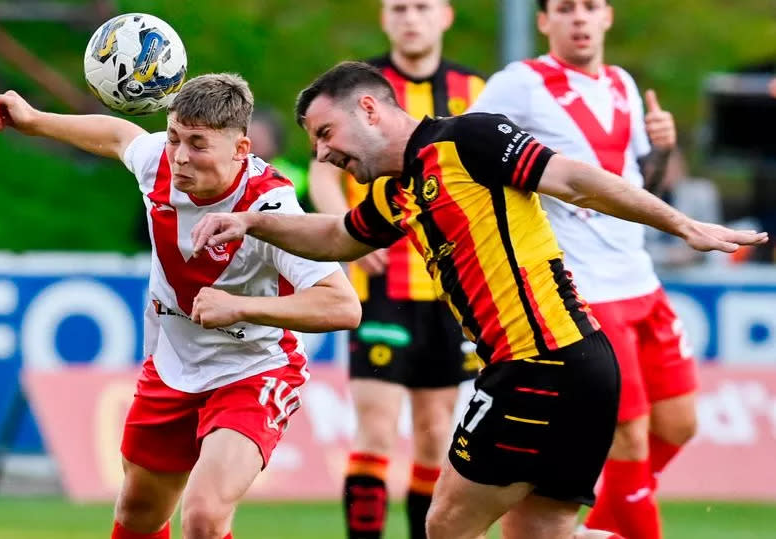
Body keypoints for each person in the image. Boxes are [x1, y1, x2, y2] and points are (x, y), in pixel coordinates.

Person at [189, 62, 767, 539]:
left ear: (368, 109)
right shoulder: (400, 190)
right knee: (540, 534)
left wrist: (681, 224)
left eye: (325, 134)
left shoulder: (467, 139)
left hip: (540, 363)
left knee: (445, 525)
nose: (323, 155)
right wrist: (249, 223)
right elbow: (337, 235)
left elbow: (576, 181)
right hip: (580, 363)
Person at [0, 73, 361, 539]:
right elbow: (119, 136)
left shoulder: (271, 209)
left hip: (254, 368)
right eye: (174, 138)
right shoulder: (160, 165)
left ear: (240, 150)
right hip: (173, 366)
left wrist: (240, 307)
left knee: (203, 517)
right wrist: (35, 120)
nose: (181, 156)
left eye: (198, 144)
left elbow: (343, 307)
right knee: (138, 512)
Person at [467, 1, 701, 536]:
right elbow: (465, 148)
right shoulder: (519, 82)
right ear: (544, 21)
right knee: (630, 438)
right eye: (565, 8)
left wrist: (663, 149)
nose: (579, 18)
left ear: (607, 17)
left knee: (680, 424)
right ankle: (620, 514)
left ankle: (592, 512)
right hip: (585, 288)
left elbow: (643, 184)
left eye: (589, 7)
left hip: (640, 278)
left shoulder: (621, 82)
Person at [306, 2, 486, 537]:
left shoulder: (475, 89)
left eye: (422, 7)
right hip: (381, 286)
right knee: (376, 430)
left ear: (446, 16)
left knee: (435, 435)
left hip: (452, 290)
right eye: (399, 7)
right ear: (385, 18)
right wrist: (344, 225)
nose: (412, 18)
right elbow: (322, 173)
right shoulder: (357, 90)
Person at [248, 106, 311, 210]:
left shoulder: (297, 176)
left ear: (276, 142)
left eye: (261, 136)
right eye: (250, 135)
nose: (253, 141)